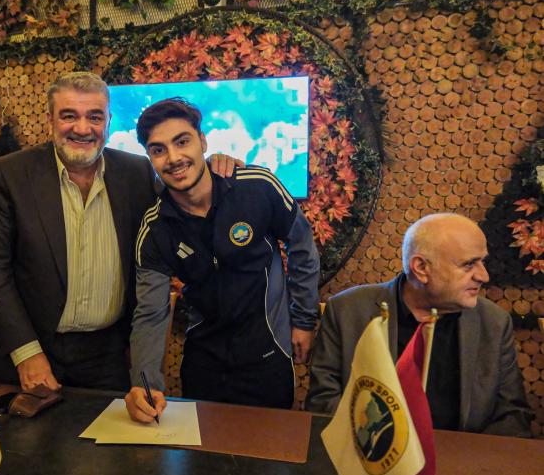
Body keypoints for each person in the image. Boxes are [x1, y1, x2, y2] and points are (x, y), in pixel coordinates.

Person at [0, 72, 238, 392]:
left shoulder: (138, 173)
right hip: (31, 353)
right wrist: (27, 353)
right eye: (69, 116)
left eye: (95, 117)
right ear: (50, 121)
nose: (82, 128)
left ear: (109, 122)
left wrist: (214, 166)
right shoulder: (11, 175)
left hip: (108, 356)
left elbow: (187, 200)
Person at [125, 98, 320, 423]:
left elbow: (302, 246)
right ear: (150, 157)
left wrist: (303, 320)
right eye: (158, 150)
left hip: (269, 353)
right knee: (202, 454)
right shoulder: (155, 229)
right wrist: (145, 384)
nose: (173, 158)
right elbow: (150, 313)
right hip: (203, 364)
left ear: (202, 142)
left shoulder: (257, 187)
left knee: (269, 448)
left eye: (182, 141)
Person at [307, 213, 534, 437]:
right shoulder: (347, 312)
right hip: (369, 455)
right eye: (468, 264)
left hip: (466, 458)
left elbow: (513, 415)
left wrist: (465, 456)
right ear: (421, 268)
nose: (483, 276)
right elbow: (323, 403)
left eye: (482, 261)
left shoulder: (494, 322)